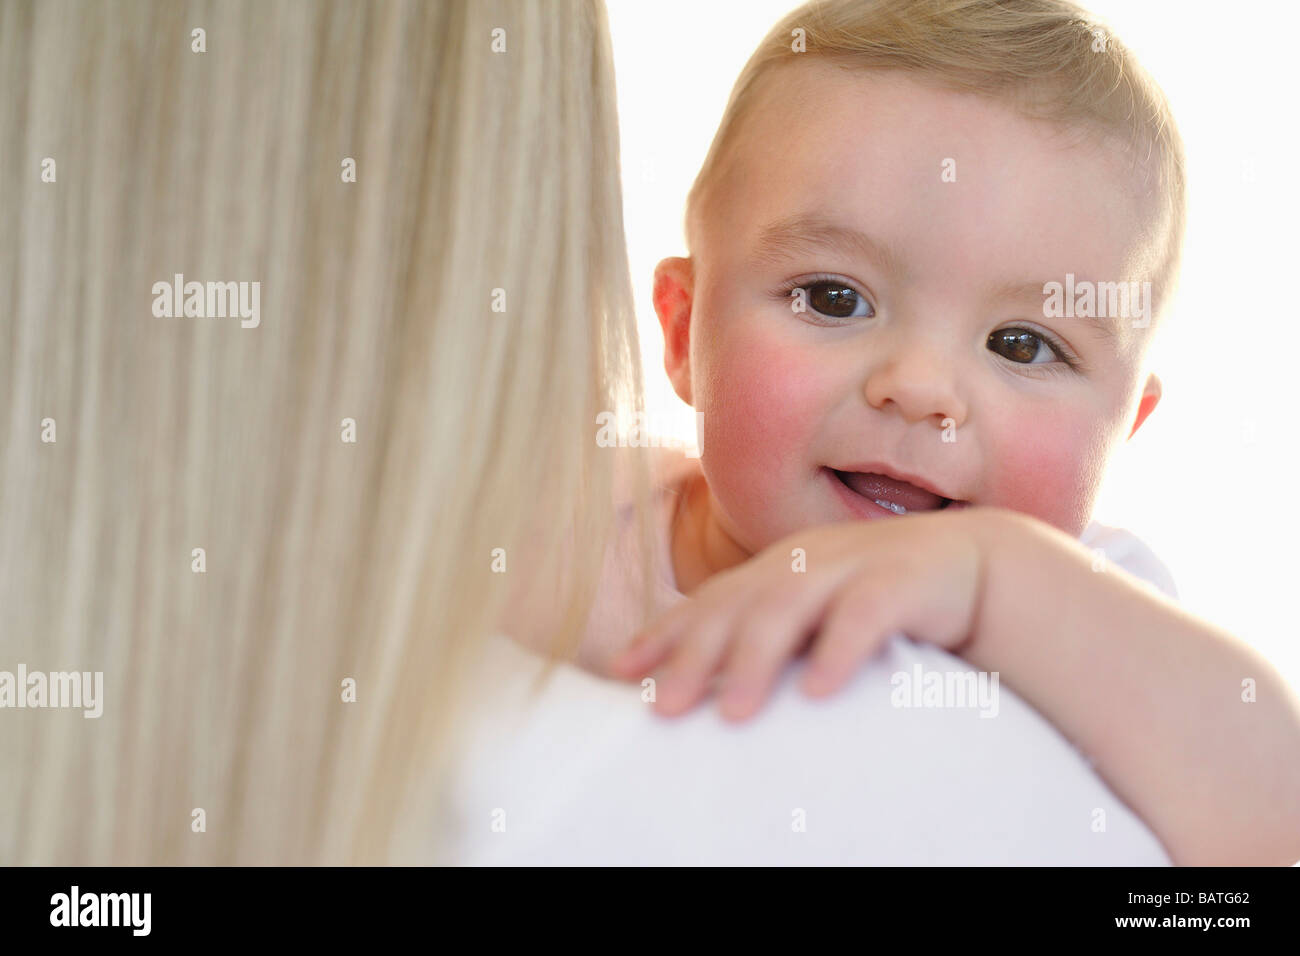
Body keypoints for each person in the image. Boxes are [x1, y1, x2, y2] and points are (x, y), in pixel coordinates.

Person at [0, 0, 1174, 866]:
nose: (921, 389)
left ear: (1133, 422)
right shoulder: (591, 519)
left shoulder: (1089, 602)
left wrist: (1003, 585)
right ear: (679, 330)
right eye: (833, 297)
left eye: (1025, 345)